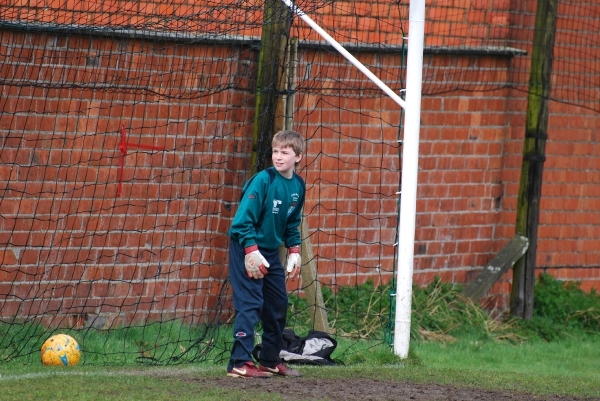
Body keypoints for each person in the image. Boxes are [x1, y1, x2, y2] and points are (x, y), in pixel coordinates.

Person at [226, 130, 306, 378]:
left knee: (277, 304)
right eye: (275, 151)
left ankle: (270, 359)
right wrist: (250, 250)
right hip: (246, 247)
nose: (278, 157)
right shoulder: (263, 180)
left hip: (270, 251)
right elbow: (241, 222)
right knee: (250, 304)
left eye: (285, 152)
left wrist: (294, 250)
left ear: (298, 157)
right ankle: (239, 362)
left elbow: (292, 223)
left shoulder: (299, 185)